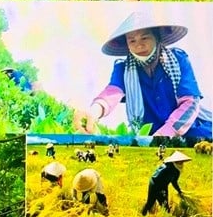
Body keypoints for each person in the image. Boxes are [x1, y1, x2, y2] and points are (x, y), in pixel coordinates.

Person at [75, 12, 211, 138]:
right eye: (132, 41)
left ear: (157, 38)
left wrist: (164, 134)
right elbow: (111, 93)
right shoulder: (123, 68)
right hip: (149, 138)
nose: (139, 46)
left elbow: (190, 102)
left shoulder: (178, 59)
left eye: (145, 38)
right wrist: (93, 112)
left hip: (192, 131)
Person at [142, 151, 191, 215]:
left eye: (182, 161)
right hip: (155, 183)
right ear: (175, 161)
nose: (181, 163)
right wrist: (160, 192)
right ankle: (143, 215)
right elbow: (157, 178)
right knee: (151, 202)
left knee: (165, 205)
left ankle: (166, 216)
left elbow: (174, 181)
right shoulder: (167, 168)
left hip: (163, 185)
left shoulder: (177, 171)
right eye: (180, 161)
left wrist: (179, 191)